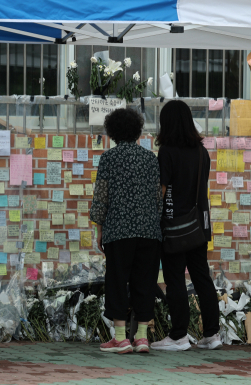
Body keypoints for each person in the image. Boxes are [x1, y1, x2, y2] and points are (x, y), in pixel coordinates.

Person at [151, 100, 222, 351]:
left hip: (174, 227)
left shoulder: (168, 151)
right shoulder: (202, 152)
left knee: (175, 279)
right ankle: (212, 334)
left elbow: (161, 192)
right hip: (199, 225)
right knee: (202, 277)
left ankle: (179, 335)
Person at [90, 108, 162, 354]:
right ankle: (141, 337)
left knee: (118, 281)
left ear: (112, 132)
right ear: (137, 131)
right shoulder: (150, 158)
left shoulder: (108, 159)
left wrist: (99, 229)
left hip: (118, 230)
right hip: (149, 231)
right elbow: (157, 199)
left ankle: (120, 338)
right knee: (145, 282)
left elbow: (101, 198)